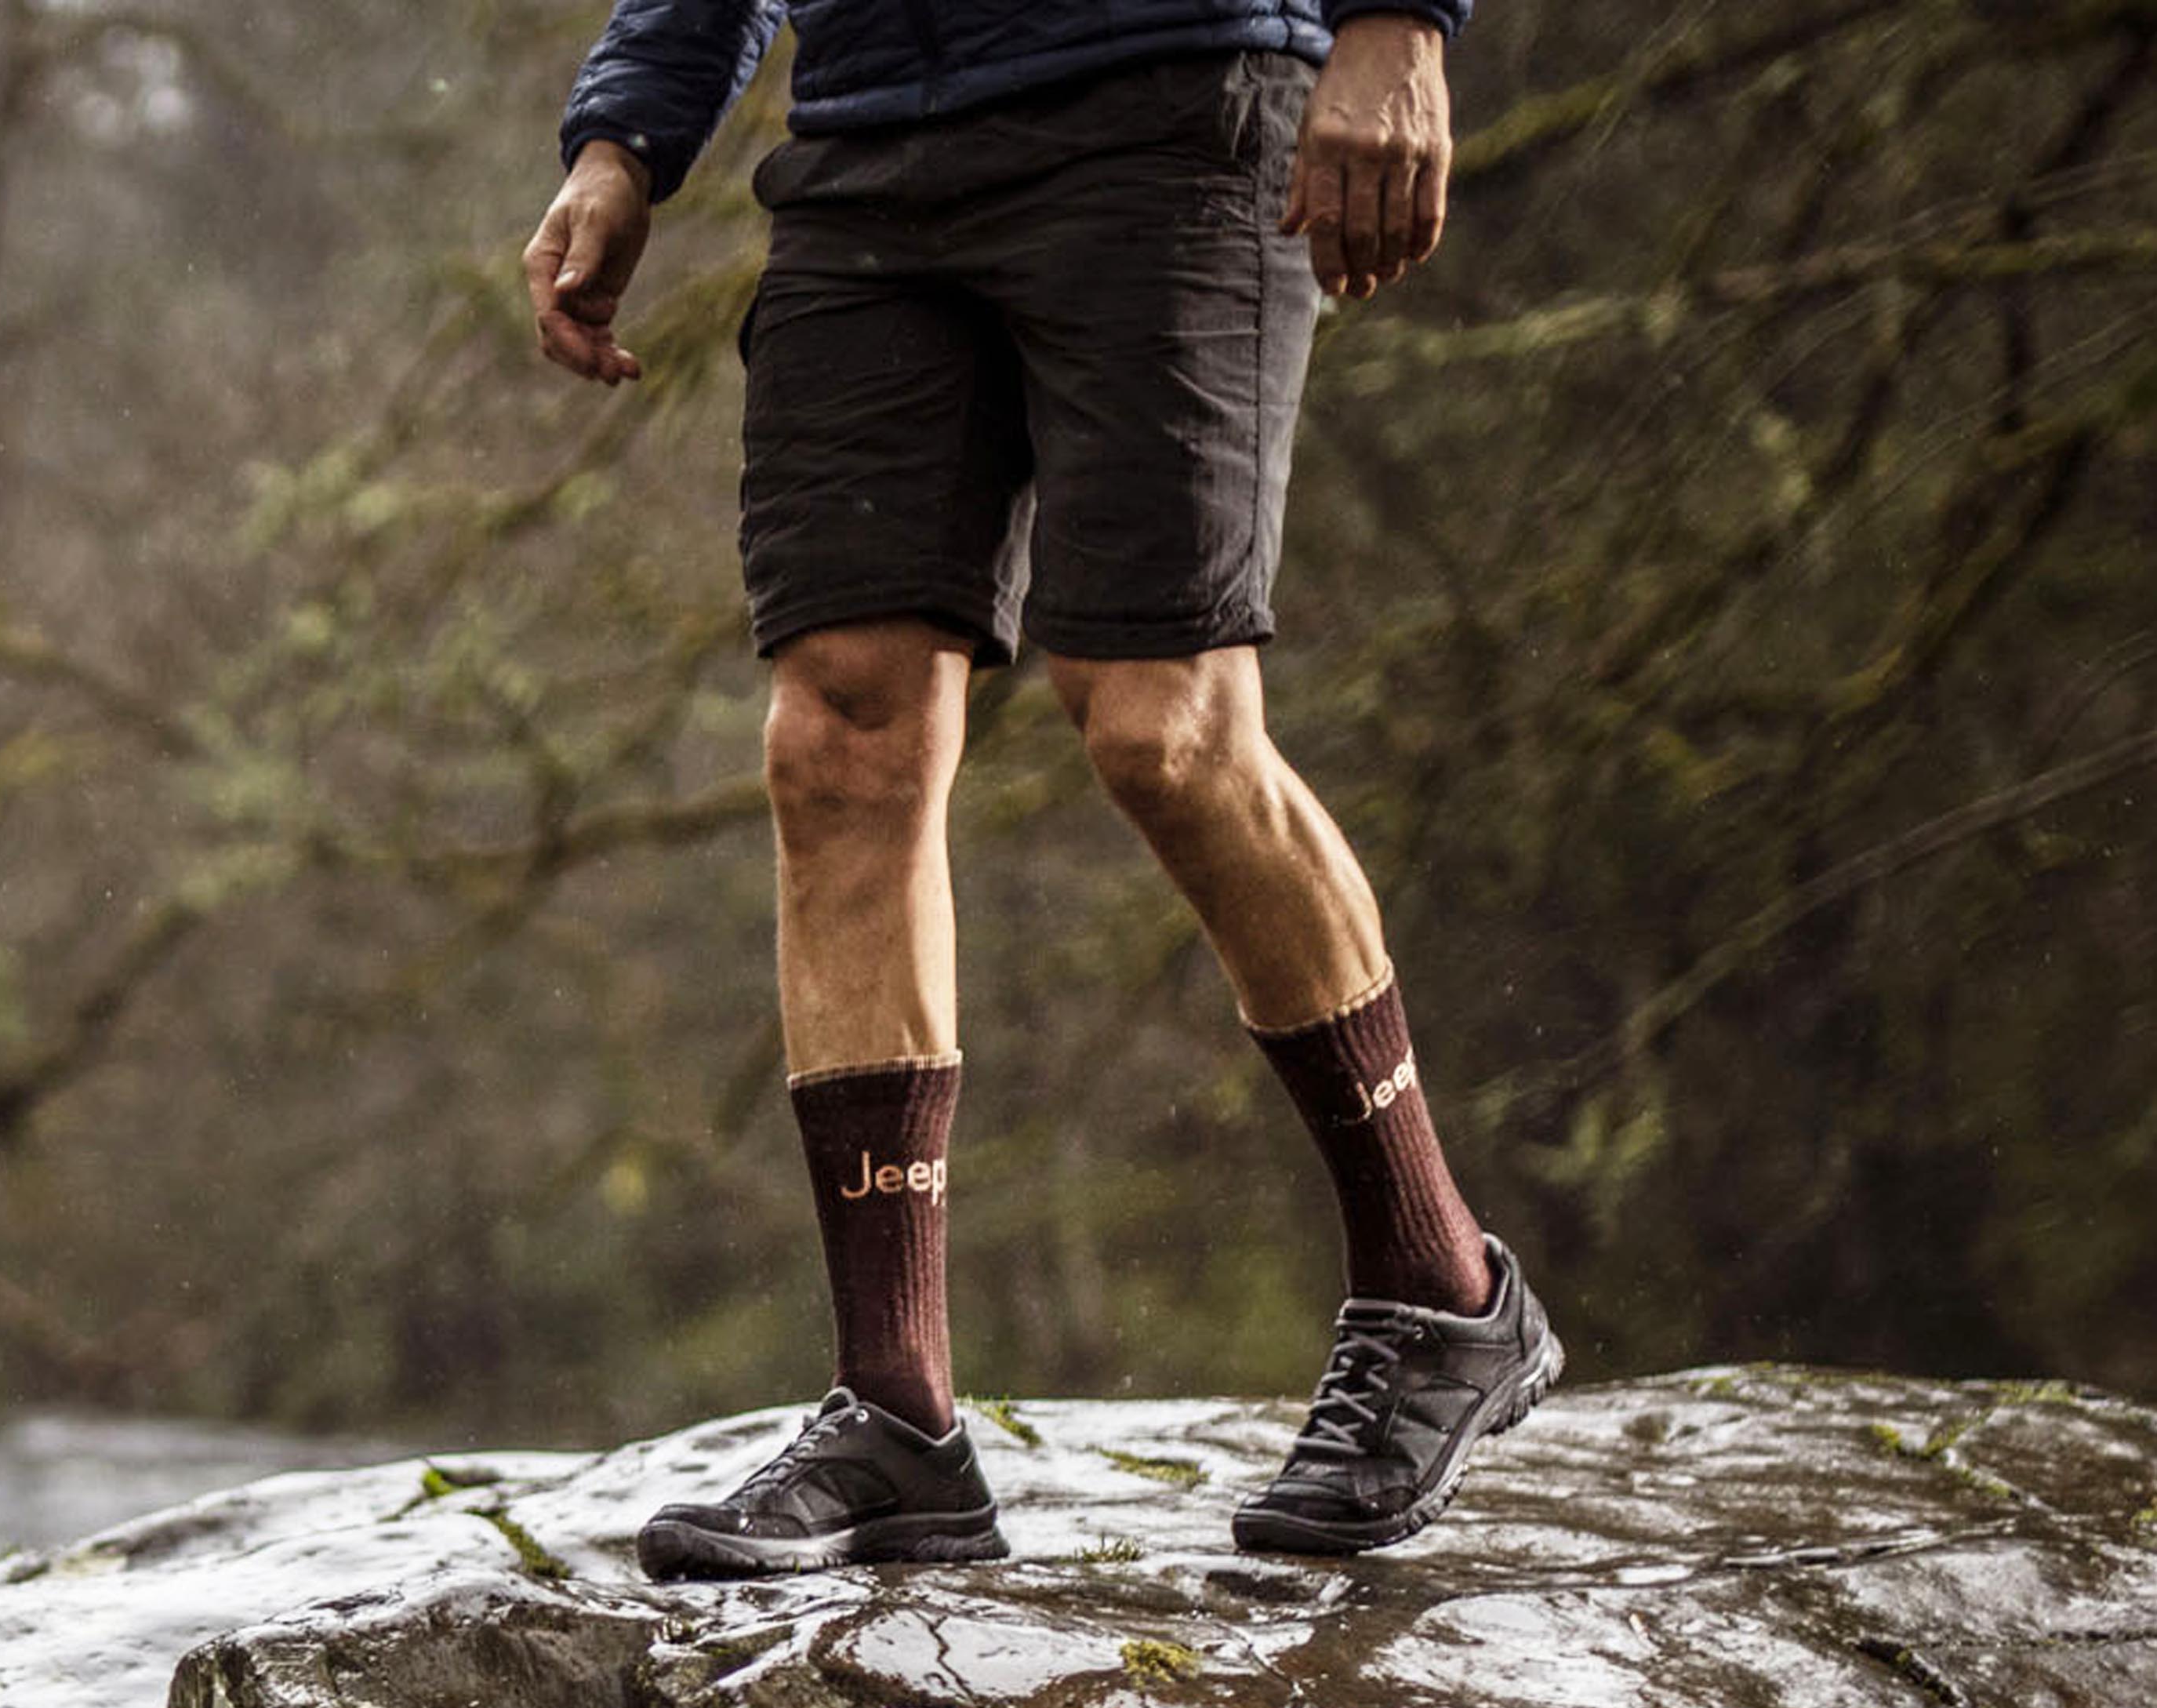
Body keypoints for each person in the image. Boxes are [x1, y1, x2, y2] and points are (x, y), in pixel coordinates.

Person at [523, 0, 1560, 1578]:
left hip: (1168, 99)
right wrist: (623, 138)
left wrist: (1398, 22)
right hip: (872, 138)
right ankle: (897, 1416)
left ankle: (1438, 1287)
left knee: (1165, 722)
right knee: (837, 733)